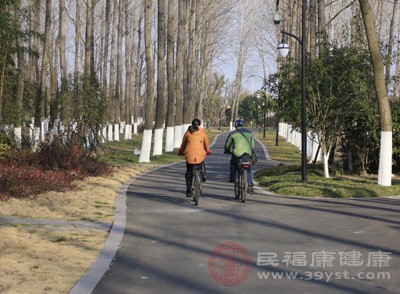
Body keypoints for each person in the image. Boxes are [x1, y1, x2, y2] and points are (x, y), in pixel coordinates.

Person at [178, 118, 211, 197]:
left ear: (191, 124)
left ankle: (189, 190)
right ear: (199, 125)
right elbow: (206, 143)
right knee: (201, 162)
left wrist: (180, 152)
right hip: (200, 155)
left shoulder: (187, 133)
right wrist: (207, 150)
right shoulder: (203, 132)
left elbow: (183, 144)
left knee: (189, 172)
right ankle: (203, 174)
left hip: (189, 155)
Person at [224, 119, 255, 194]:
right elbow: (252, 145)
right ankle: (250, 185)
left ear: (235, 125)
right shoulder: (250, 133)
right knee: (248, 169)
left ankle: (233, 178)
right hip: (247, 154)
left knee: (233, 163)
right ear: (242, 125)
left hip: (237, 155)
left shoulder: (233, 134)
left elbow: (227, 144)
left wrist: (227, 150)